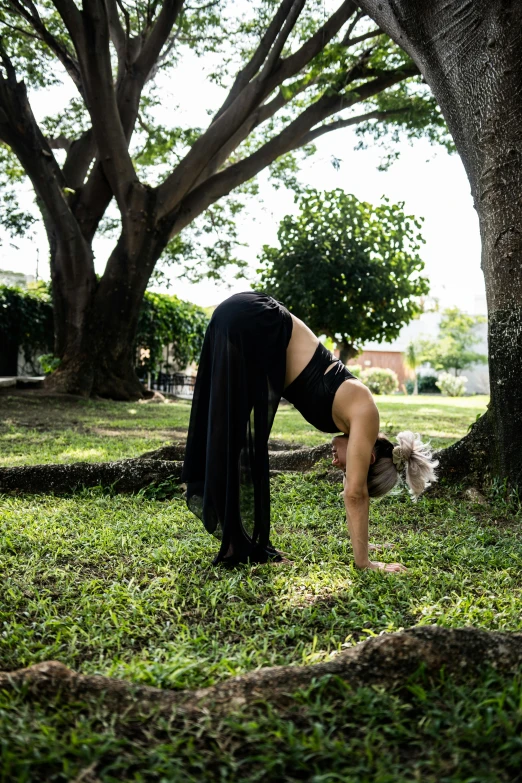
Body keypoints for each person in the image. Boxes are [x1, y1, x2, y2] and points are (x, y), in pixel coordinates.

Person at [182, 291, 438, 570]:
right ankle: (242, 546)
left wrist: (364, 541)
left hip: (242, 317)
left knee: (232, 441)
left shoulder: (352, 415)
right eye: (344, 468)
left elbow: (353, 491)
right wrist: (365, 562)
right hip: (259, 320)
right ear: (370, 459)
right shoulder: (366, 412)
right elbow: (356, 493)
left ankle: (239, 545)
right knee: (239, 443)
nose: (336, 463)